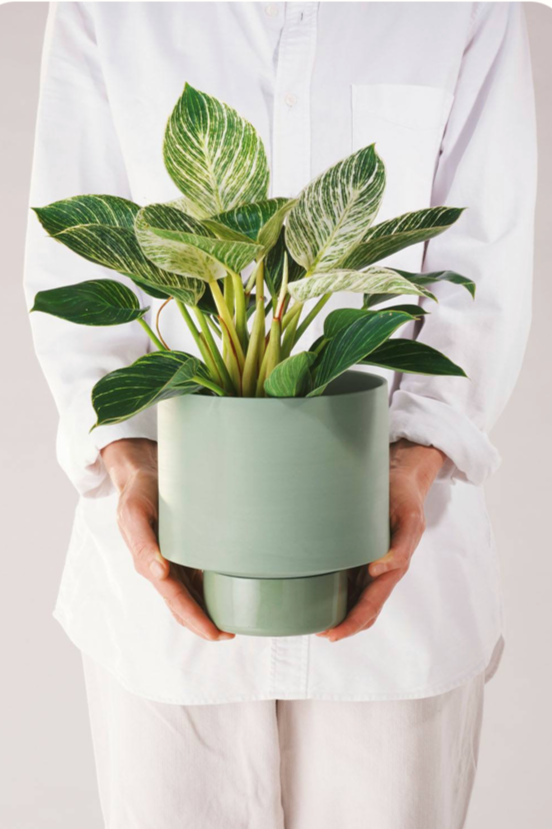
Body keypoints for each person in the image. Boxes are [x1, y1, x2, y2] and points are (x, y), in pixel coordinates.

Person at [25, 3, 536, 828]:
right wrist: (129, 459)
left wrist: (421, 450)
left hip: (401, 581)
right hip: (165, 587)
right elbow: (76, 239)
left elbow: (485, 251)